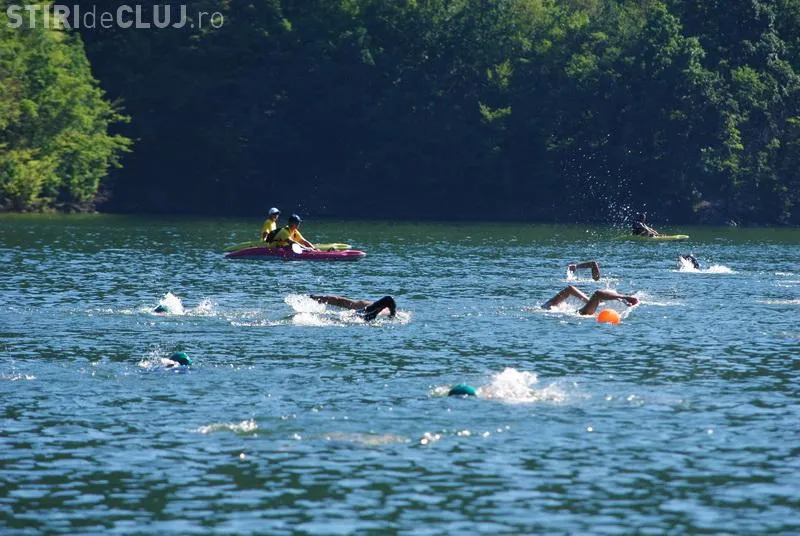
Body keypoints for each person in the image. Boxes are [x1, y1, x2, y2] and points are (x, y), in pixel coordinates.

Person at [542, 286, 639, 315]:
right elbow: (569, 289)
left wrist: (588, 301)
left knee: (598, 295)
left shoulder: (547, 307)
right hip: (581, 314)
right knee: (598, 294)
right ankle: (623, 297)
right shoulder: (548, 307)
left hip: (580, 313)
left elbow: (570, 289)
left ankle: (622, 298)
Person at [309, 295, 397, 322]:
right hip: (360, 316)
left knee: (341, 320)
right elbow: (339, 300)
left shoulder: (364, 304)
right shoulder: (364, 304)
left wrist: (314, 298)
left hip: (358, 316)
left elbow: (339, 300)